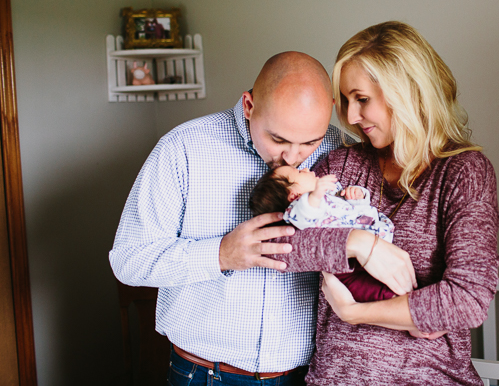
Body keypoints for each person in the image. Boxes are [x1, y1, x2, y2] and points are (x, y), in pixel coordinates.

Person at [110, 52, 375, 385]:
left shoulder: (341, 150)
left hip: (307, 374)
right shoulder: (183, 148)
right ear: (249, 105)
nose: (293, 157)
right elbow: (128, 260)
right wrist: (220, 254)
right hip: (205, 374)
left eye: (310, 141)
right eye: (278, 139)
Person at [271, 21, 499, 385]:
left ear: (407, 92)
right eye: (346, 101)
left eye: (361, 99)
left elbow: (467, 299)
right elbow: (278, 245)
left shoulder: (463, 173)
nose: (350, 117)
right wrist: (357, 244)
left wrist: (354, 313)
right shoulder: (340, 166)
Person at [250, 166, 395, 302]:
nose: (306, 169)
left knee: (386, 274)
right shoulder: (297, 212)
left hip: (374, 234)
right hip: (347, 260)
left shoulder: (329, 195)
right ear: (294, 196)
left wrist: (357, 195)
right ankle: (390, 300)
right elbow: (305, 213)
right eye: (300, 172)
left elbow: (354, 210)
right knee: (364, 287)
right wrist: (315, 195)